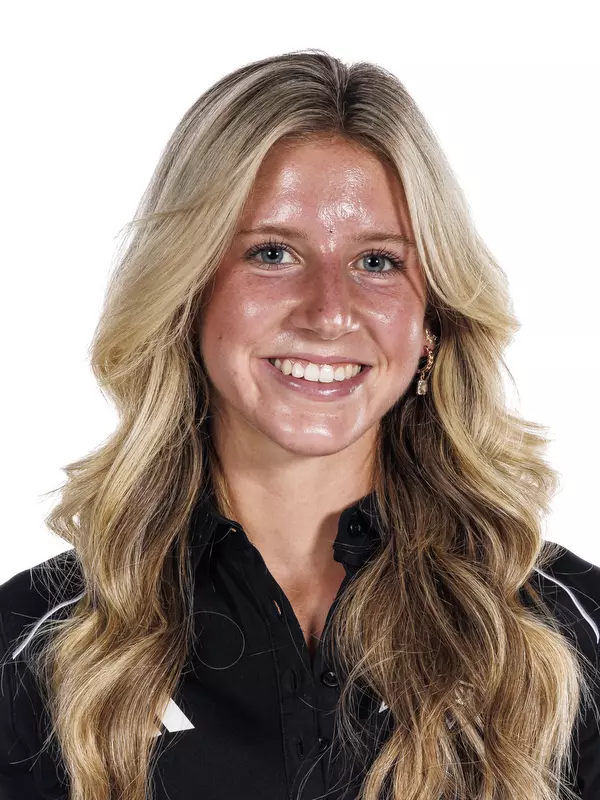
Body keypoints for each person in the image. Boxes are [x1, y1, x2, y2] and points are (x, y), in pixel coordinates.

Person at [1, 49, 599, 800]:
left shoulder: (560, 632)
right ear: (186, 294)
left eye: (378, 262)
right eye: (273, 253)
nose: (329, 311)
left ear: (432, 323)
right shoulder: (42, 645)